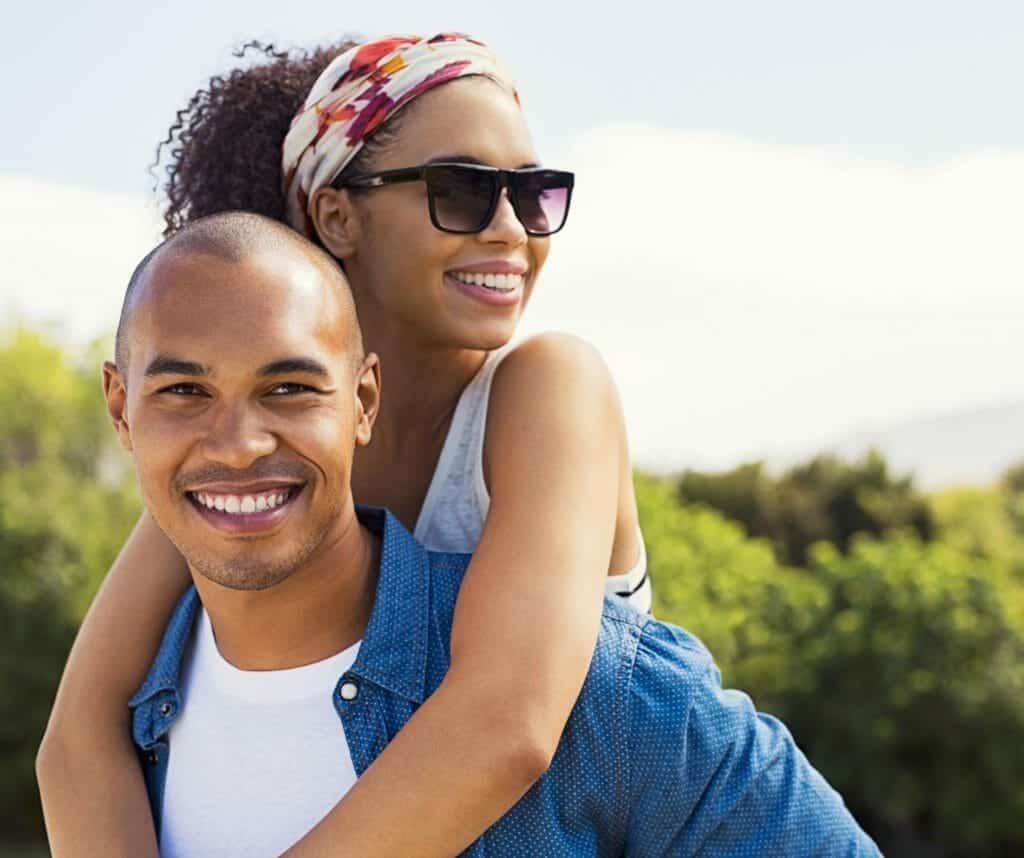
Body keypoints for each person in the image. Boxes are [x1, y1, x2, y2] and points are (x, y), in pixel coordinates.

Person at [34, 32, 777, 857]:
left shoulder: (547, 389)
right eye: (461, 190)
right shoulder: (248, 451)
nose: (508, 229)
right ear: (335, 214)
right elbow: (77, 738)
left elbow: (508, 724)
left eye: (533, 195)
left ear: (367, 398)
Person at [111, 210, 877, 856]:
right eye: (183, 391)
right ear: (120, 410)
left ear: (364, 400)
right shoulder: (122, 733)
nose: (239, 443)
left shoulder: (613, 696)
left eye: (289, 388)